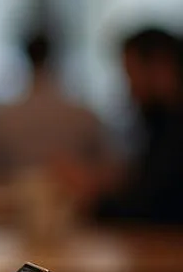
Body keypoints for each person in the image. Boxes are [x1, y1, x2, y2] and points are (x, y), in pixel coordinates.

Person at [54, 26, 183, 224]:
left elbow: (147, 210)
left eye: (131, 75)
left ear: (161, 67)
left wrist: (92, 197)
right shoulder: (163, 124)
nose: (130, 90)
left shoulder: (173, 129)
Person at [0, 31, 111, 180]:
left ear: (24, 57)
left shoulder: (1, 119)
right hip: (72, 199)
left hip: (16, 200)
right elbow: (105, 168)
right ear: (55, 57)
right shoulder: (84, 116)